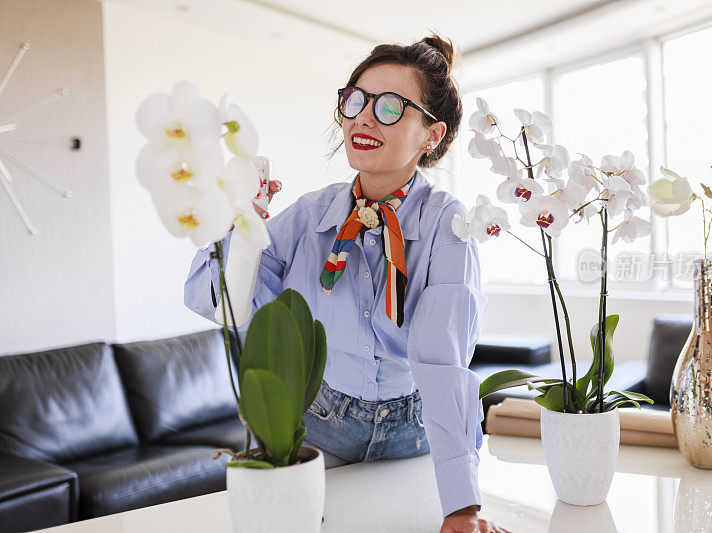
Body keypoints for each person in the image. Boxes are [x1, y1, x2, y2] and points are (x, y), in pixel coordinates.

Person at [184, 34, 510, 533]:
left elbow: (442, 363)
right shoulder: (309, 216)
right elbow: (223, 304)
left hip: (414, 433)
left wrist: (463, 506)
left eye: (389, 107)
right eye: (354, 100)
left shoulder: (448, 226)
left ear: (431, 134)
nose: (361, 117)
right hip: (322, 428)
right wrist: (238, 228)